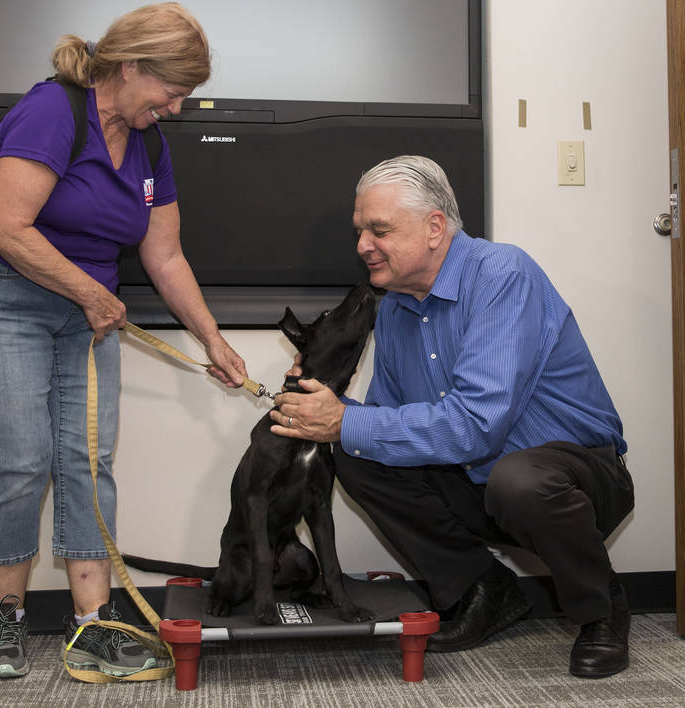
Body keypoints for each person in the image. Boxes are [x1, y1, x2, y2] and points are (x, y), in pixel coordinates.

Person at [0, 2, 249, 680]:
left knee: (86, 458)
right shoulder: (54, 113)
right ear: (130, 68)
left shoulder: (149, 143)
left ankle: (92, 626)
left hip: (84, 307)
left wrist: (212, 339)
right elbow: (7, 229)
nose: (178, 107)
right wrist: (89, 292)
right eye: (173, 90)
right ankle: (4, 620)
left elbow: (164, 256)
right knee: (21, 455)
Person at [270, 155, 634, 679]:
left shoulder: (503, 274)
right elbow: (390, 422)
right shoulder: (395, 307)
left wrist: (344, 420)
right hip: (481, 482)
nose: (362, 246)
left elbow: (477, 426)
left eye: (379, 230)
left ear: (434, 227)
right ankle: (482, 588)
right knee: (357, 451)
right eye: (360, 232)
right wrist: (321, 406)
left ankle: (602, 609)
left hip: (574, 481)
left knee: (518, 479)